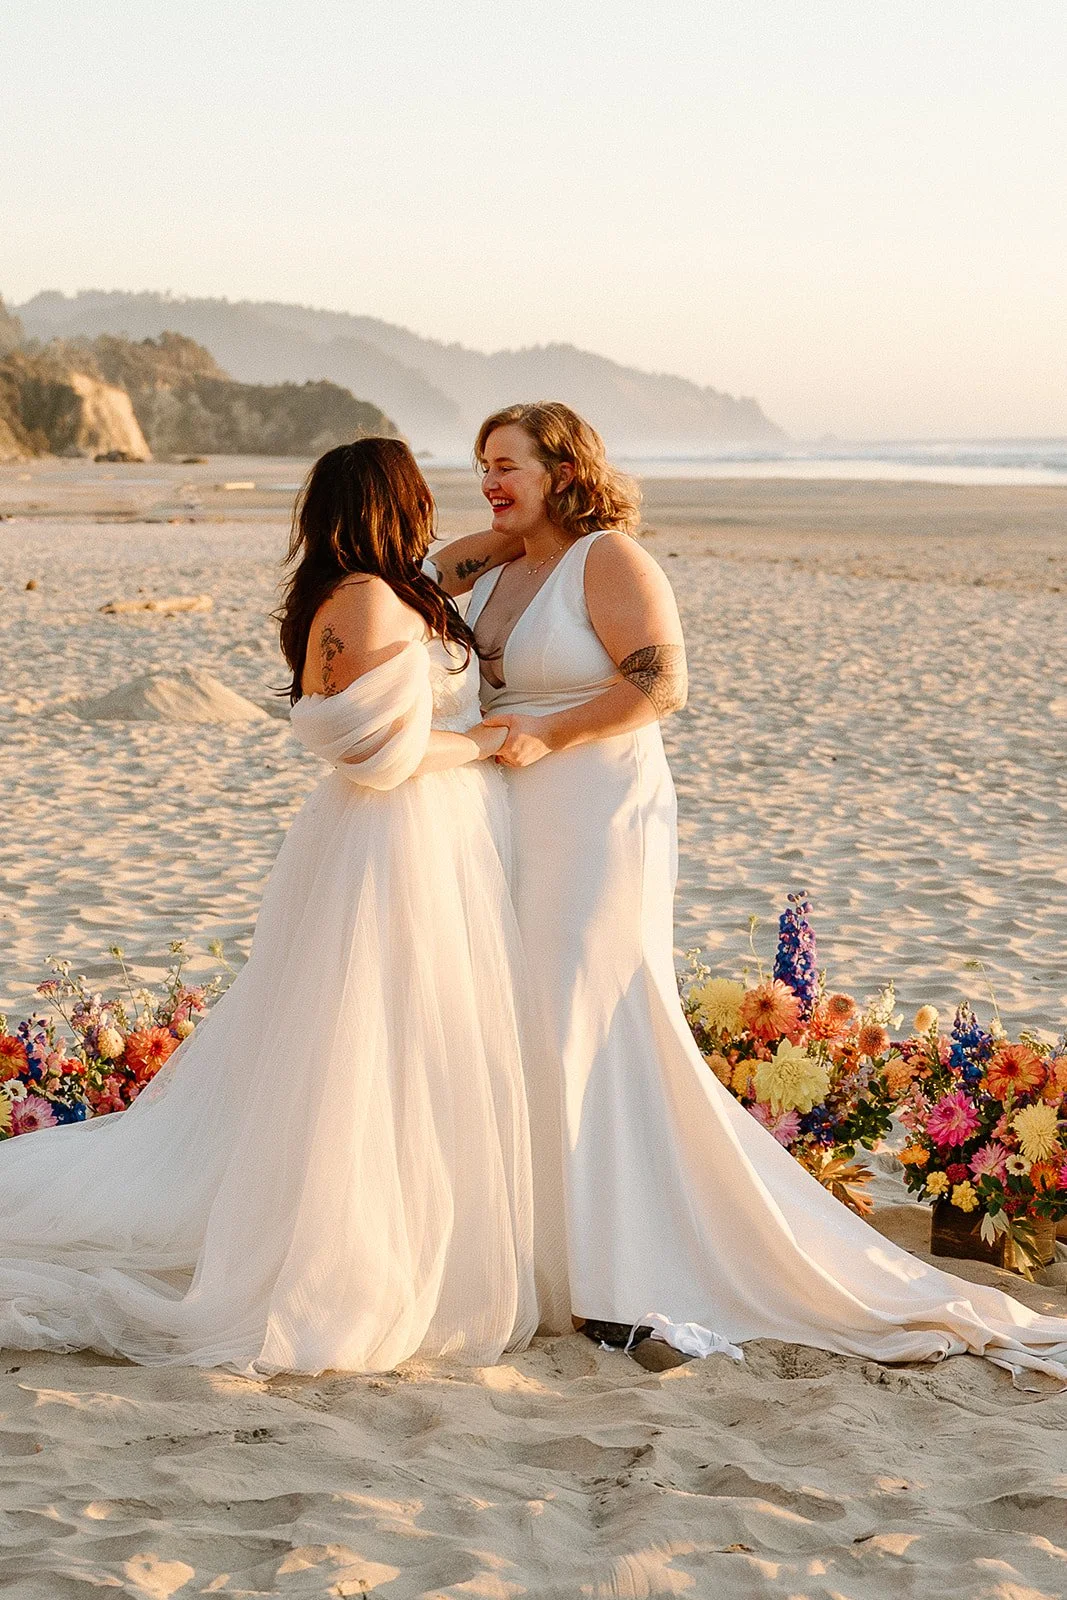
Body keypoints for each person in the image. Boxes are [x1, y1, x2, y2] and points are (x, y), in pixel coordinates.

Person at [434, 401, 1067, 1382]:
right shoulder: (497, 564)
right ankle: (536, 1258)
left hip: (598, 806)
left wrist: (549, 733)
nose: (488, 480)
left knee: (583, 1010)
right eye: (480, 465)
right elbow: (424, 583)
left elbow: (659, 683)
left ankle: (614, 1272)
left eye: (506, 464)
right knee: (523, 1018)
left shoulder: (608, 558)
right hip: (513, 814)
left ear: (562, 469)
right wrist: (502, 526)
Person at [0, 438, 569, 1376]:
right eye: (422, 494)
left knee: (382, 1032)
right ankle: (353, 1248)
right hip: (401, 835)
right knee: (377, 1037)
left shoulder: (383, 587)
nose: (437, 510)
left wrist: (534, 531)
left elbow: (461, 562)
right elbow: (372, 755)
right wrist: (485, 743)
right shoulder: (367, 601)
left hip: (415, 836)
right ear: (397, 501)